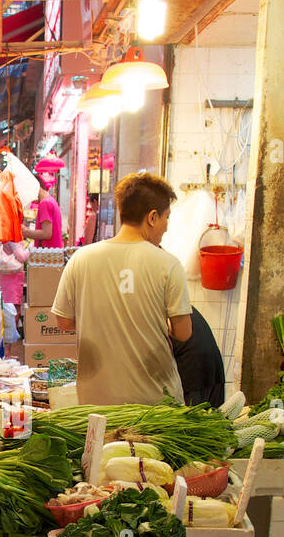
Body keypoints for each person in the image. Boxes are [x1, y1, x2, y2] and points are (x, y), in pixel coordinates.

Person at [51, 172, 192, 406]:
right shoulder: (168, 264)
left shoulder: (81, 258)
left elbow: (63, 321)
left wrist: (103, 322)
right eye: (167, 218)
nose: (166, 227)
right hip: (155, 403)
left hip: (96, 402)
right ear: (152, 217)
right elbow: (184, 332)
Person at [172, 307, 226, 409]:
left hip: (195, 373)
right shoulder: (183, 307)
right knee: (212, 419)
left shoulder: (165, 312)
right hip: (214, 369)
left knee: (194, 420)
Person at [24, 176, 64, 247]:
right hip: (52, 253)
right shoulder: (50, 200)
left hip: (47, 254)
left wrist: (25, 232)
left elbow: (46, 234)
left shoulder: (45, 203)